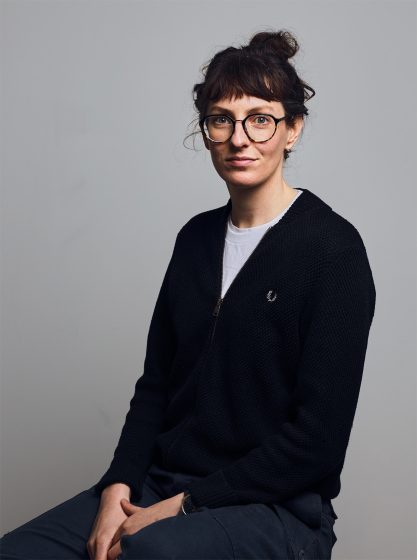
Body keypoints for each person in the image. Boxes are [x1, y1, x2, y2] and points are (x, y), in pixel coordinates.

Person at [0, 29, 376, 560]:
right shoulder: (195, 239)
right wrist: (116, 489)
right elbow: (155, 387)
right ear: (206, 131)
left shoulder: (333, 251)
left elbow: (316, 443)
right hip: (162, 482)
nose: (239, 138)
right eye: (222, 119)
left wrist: (185, 506)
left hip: (278, 510)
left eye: (260, 119)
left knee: (150, 552)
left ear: (292, 129)